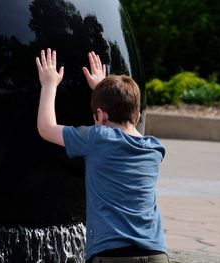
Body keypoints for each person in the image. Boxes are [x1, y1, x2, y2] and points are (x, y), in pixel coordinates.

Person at [35, 48, 169, 263]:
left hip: (111, 254)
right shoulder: (154, 148)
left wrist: (49, 84)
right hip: (155, 253)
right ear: (136, 115)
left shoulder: (98, 138)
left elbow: (46, 127)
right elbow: (122, 129)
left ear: (100, 115)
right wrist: (103, 90)